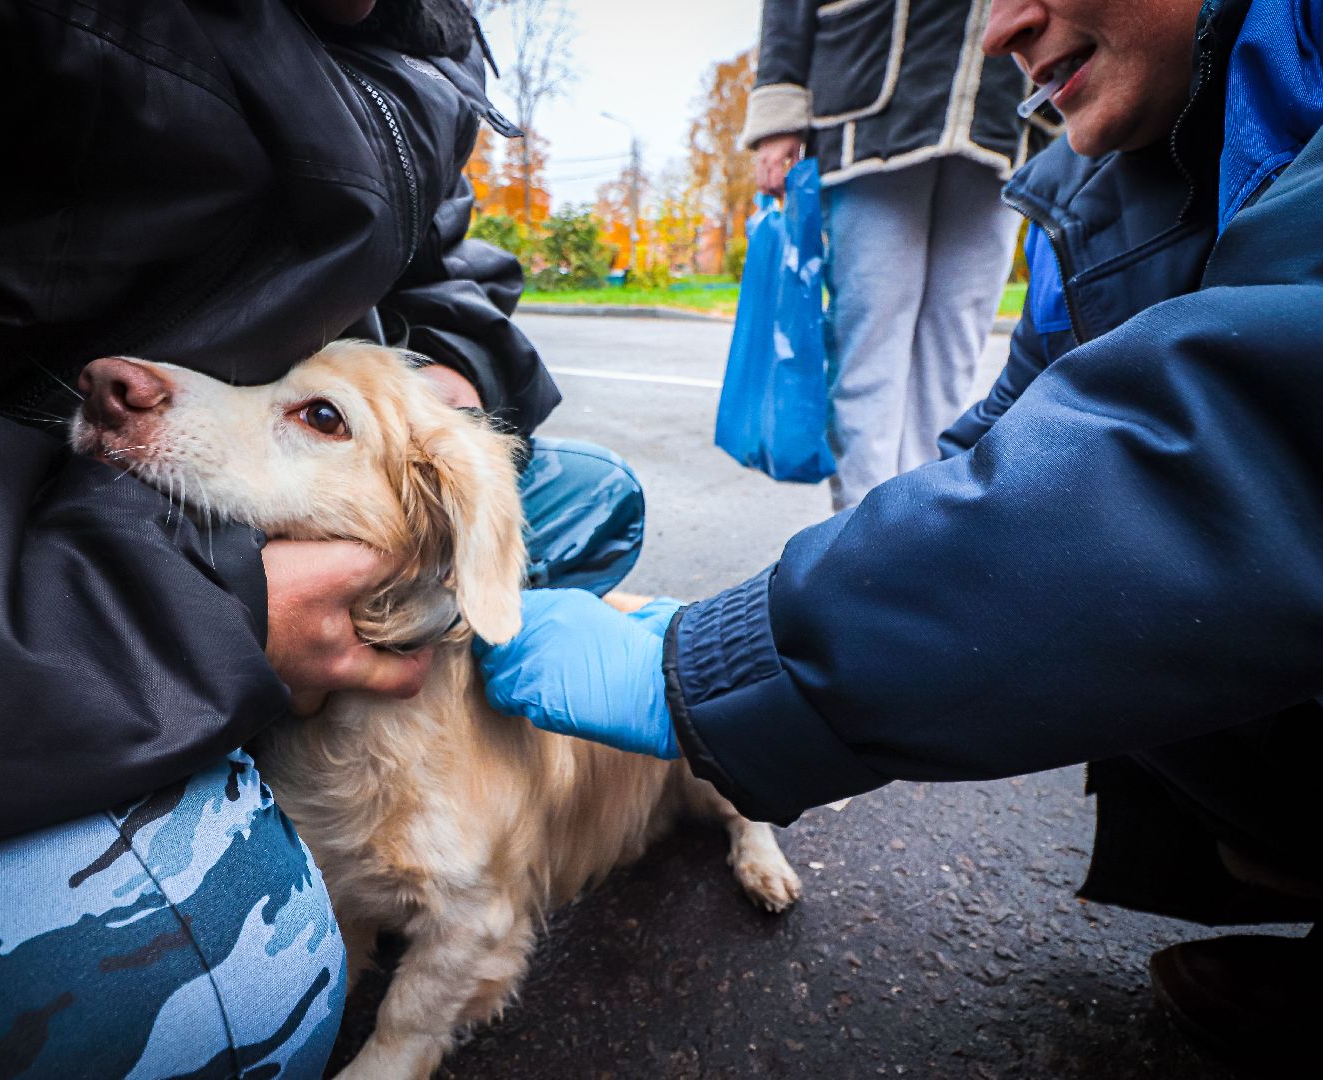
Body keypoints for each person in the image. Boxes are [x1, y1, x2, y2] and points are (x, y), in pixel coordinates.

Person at [0, 0, 644, 1075]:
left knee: (599, 499)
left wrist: (444, 384)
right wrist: (222, 610)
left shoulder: (411, 36)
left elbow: (447, 270)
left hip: (254, 486)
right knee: (198, 993)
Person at [479, 0, 1323, 1064]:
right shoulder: (1105, 185)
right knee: (902, 394)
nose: (999, 23)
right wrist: (818, 630)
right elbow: (1011, 460)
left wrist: (720, 664)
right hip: (885, 119)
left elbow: (1246, 451)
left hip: (958, 137)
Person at [747, 0, 1049, 511]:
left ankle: (917, 530)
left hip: (1003, 111)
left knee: (955, 348)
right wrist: (779, 114)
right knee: (870, 344)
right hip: (874, 89)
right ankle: (859, 538)